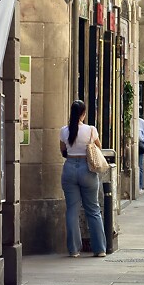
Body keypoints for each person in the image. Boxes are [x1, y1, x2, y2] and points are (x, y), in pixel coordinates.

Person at [59, 100, 107, 258]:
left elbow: (63, 151)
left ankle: (73, 249)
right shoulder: (91, 130)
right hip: (87, 169)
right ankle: (99, 248)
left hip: (69, 168)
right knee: (93, 209)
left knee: (72, 209)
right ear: (83, 114)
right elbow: (98, 147)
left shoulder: (64, 131)